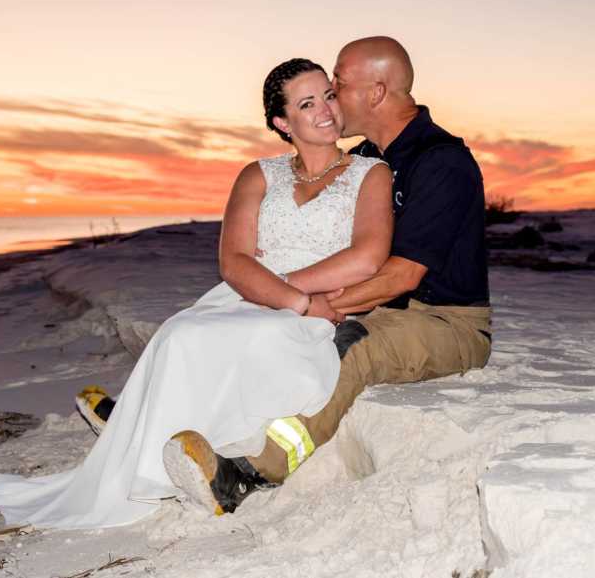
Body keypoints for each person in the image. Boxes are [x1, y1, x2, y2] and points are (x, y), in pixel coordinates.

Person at [0, 58, 394, 528]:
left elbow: (367, 258)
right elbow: (234, 262)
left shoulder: (371, 173)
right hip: (260, 297)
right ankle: (147, 455)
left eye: (327, 94)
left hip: (320, 308)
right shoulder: (258, 175)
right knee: (180, 332)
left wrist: (287, 292)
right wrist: (289, 295)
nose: (325, 109)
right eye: (307, 103)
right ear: (284, 123)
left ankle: (186, 453)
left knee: (251, 341)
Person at [160, 36, 491, 515]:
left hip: (444, 321)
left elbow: (401, 275)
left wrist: (314, 304)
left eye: (338, 82)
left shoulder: (441, 161)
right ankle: (163, 421)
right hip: (383, 306)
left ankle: (250, 473)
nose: (331, 93)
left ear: (375, 93)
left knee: (351, 347)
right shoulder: (370, 157)